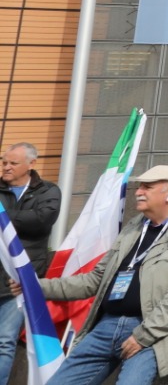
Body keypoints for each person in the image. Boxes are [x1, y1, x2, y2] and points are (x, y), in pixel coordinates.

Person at [34, 166, 168, 385]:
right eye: (140, 186)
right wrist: (36, 287)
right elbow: (94, 281)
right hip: (107, 325)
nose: (139, 192)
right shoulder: (134, 227)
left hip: (156, 333)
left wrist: (144, 335)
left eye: (147, 187)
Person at [0, 143, 61, 385]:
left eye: (13, 163)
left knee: (4, 341)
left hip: (19, 281)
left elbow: (41, 220)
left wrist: (3, 217)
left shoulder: (47, 191)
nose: (6, 167)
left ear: (31, 164)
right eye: (4, 162)